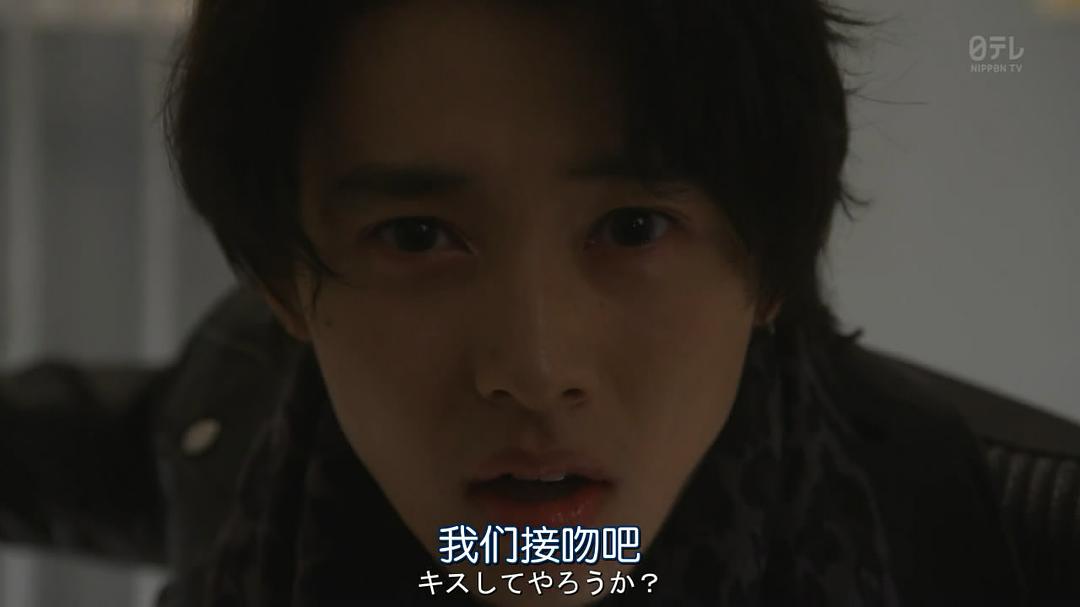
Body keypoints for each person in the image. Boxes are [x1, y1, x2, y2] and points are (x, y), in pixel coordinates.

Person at [0, 0, 1055, 604]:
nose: (535, 368)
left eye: (632, 228)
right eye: (417, 236)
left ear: (769, 262)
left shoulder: (968, 528)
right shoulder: (251, 406)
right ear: (288, 284)